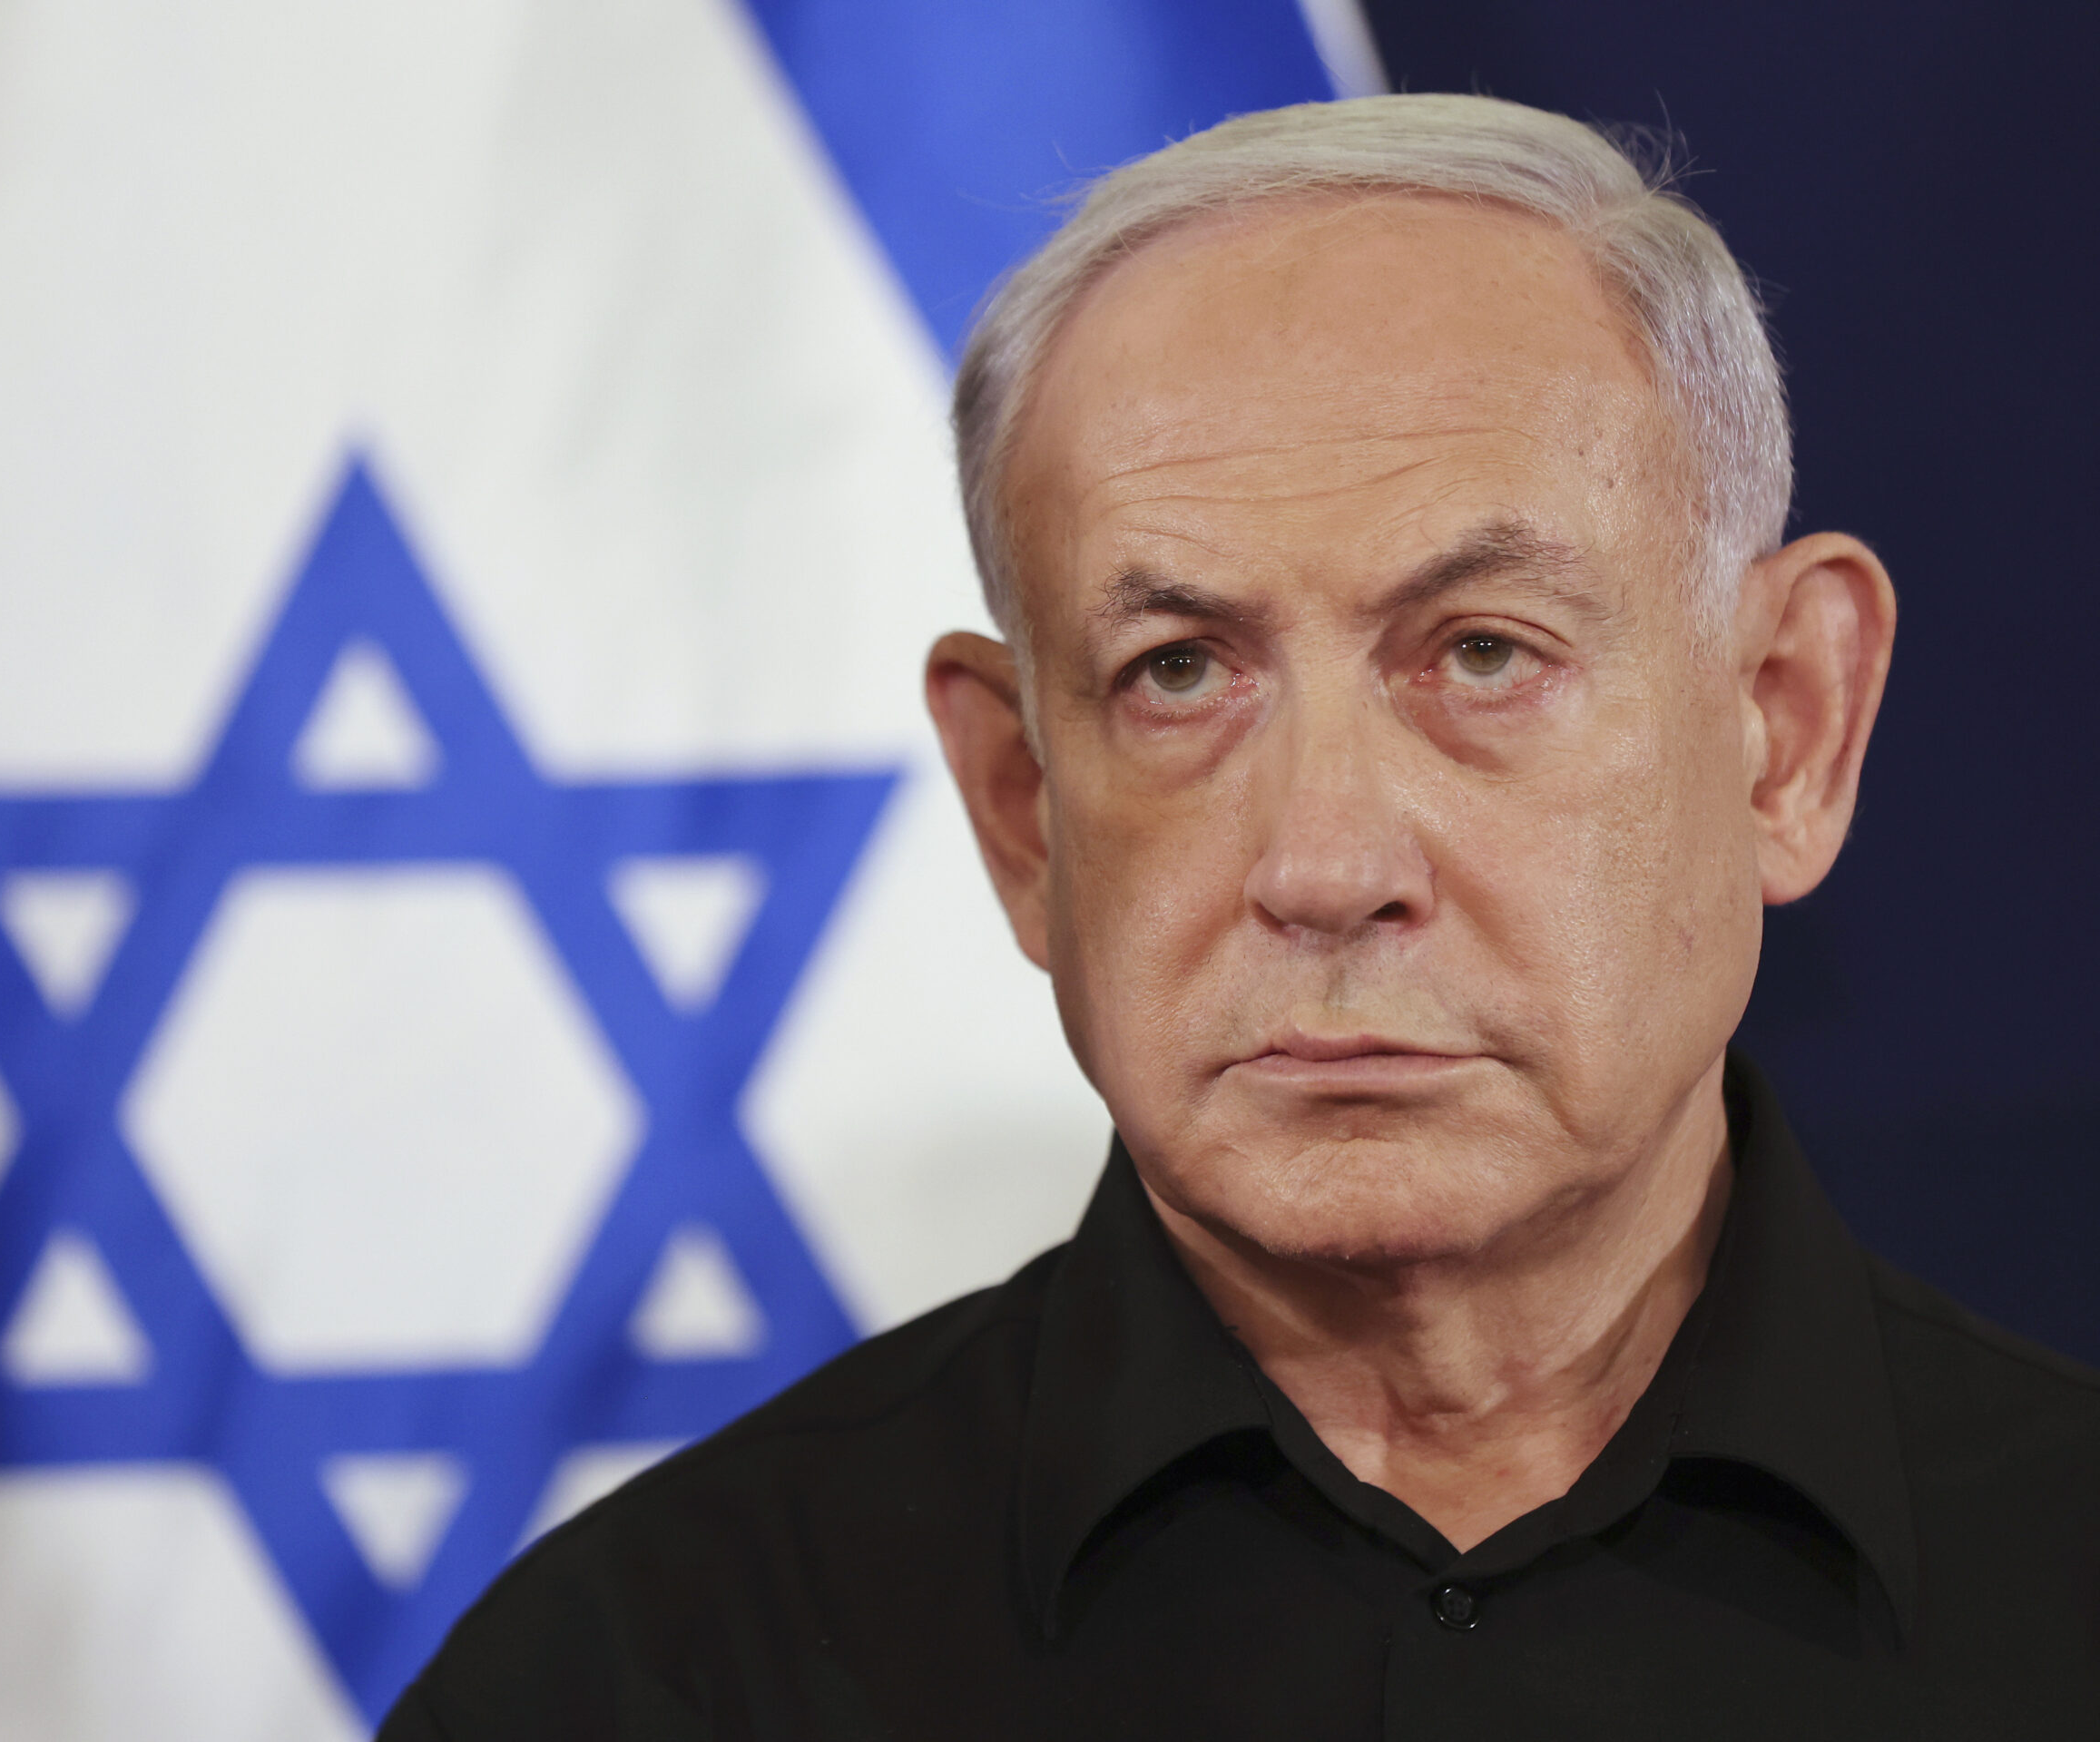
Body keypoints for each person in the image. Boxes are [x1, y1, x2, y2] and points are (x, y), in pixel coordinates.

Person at [380, 94, 2100, 1738]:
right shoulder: (635, 1686)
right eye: (1178, 673)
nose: (1327, 865)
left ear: (1784, 728)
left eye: (1482, 653)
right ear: (1024, 811)